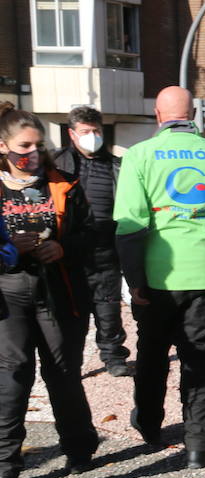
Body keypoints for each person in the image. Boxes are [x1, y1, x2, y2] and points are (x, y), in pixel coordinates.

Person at [114, 87, 205, 469]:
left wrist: (134, 280)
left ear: (157, 115)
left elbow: (130, 227)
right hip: (204, 272)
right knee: (197, 358)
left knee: (152, 353)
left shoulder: (139, 156)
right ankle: (199, 442)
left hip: (156, 275)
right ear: (195, 114)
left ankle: (150, 424)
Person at [0, 107, 99, 478]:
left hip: (59, 293)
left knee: (63, 373)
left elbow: (91, 237)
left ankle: (79, 448)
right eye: (24, 146)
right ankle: (6, 464)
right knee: (12, 375)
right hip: (9, 295)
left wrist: (62, 247)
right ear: (4, 146)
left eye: (39, 146)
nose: (33, 153)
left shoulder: (65, 184)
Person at [52, 105, 130, 376]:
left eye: (96, 130)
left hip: (106, 248)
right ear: (72, 134)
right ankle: (70, 362)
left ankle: (113, 356)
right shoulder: (56, 165)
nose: (92, 136)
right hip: (69, 252)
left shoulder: (116, 165)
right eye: (85, 131)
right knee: (71, 313)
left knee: (108, 308)